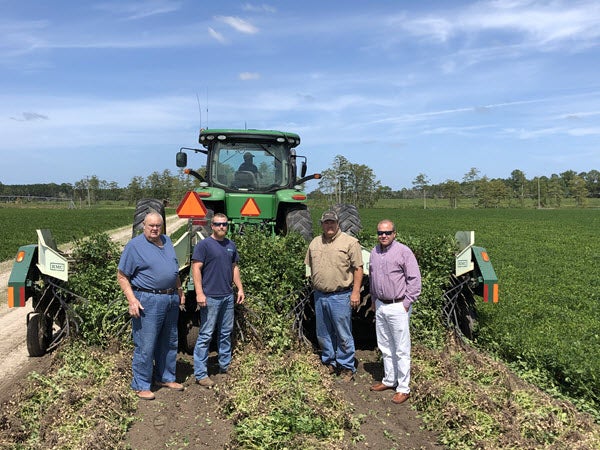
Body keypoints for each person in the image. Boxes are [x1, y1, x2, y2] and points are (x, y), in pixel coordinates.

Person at [117, 210, 185, 401]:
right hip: (148, 300)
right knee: (146, 344)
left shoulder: (167, 241)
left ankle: (165, 377)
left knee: (169, 341)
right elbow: (122, 276)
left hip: (170, 298)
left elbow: (174, 269)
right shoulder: (135, 246)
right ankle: (141, 385)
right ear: (143, 226)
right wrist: (132, 300)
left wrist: (179, 291)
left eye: (158, 226)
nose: (155, 229)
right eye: (151, 226)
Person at [305, 210, 363, 381]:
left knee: (343, 333)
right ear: (321, 224)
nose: (329, 225)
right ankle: (329, 362)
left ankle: (346, 366)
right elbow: (310, 266)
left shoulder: (350, 242)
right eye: (326, 222)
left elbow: (358, 268)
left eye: (332, 222)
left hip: (341, 295)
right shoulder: (315, 242)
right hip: (320, 295)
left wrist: (356, 292)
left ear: (338, 223)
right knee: (323, 332)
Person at [368, 219, 421, 404]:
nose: (383, 236)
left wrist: (406, 303)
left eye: (387, 232)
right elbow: (372, 278)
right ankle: (389, 380)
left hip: (398, 305)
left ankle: (403, 388)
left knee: (401, 348)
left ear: (394, 233)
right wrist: (374, 300)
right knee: (385, 346)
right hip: (381, 305)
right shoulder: (374, 252)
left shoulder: (403, 252)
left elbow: (414, 280)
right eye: (380, 233)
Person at [191, 213, 245, 387]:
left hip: (227, 296)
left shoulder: (231, 245)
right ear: (212, 226)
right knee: (206, 334)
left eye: (224, 224)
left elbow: (234, 268)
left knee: (225, 332)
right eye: (218, 224)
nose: (222, 227)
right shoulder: (204, 245)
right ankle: (201, 373)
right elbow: (196, 269)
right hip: (211, 297)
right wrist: (199, 293)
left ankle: (225, 366)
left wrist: (240, 288)